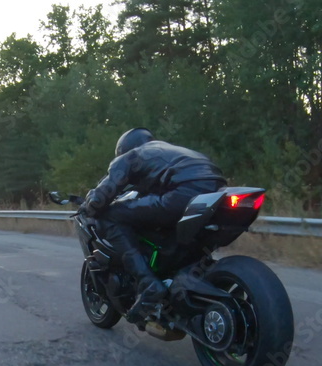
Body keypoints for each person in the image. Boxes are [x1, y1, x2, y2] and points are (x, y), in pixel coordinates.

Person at [78, 128, 227, 319]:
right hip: (217, 191)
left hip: (183, 193)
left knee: (109, 217)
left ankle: (148, 283)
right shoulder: (172, 151)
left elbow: (103, 194)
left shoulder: (131, 156)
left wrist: (89, 206)